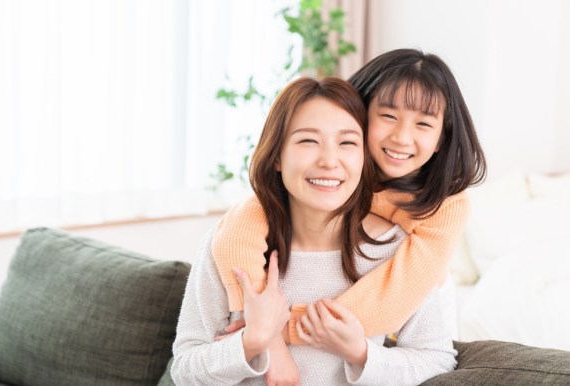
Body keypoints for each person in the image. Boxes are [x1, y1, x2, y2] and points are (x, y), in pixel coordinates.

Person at [171, 77, 457, 385]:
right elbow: (184, 369)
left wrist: (361, 353)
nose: (329, 161)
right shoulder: (230, 245)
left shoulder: (395, 251)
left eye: (347, 143)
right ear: (277, 155)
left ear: (364, 158)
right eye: (308, 141)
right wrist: (253, 342)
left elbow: (437, 360)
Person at [211, 49, 487, 348]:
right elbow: (239, 229)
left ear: (440, 140)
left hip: (416, 316)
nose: (402, 137)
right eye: (388, 116)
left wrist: (280, 329)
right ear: (360, 115)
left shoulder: (447, 203)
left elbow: (393, 298)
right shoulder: (334, 175)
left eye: (423, 124)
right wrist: (251, 313)